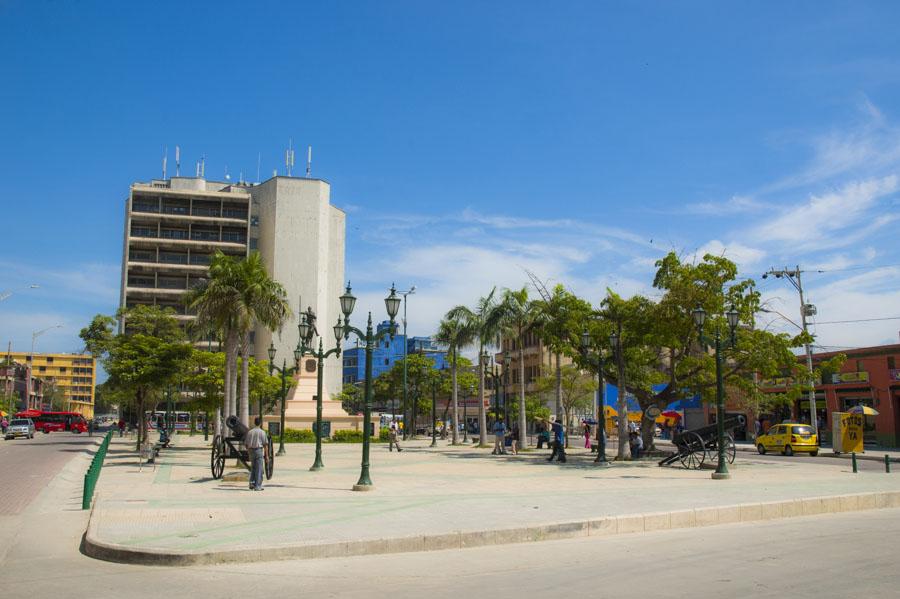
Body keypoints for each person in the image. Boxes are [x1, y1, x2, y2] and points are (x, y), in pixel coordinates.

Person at [244, 417, 269, 491]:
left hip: (251, 451)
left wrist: (249, 452)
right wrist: (266, 456)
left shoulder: (250, 432)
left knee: (253, 468)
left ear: (254, 423)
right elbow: (265, 445)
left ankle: (252, 483)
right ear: (260, 423)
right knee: (259, 469)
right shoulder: (262, 432)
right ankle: (257, 486)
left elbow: (246, 444)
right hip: (258, 450)